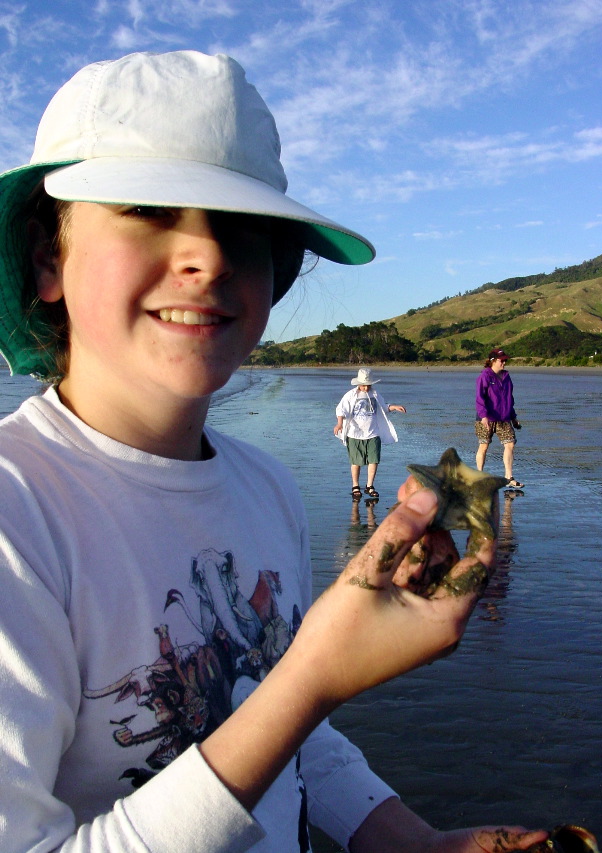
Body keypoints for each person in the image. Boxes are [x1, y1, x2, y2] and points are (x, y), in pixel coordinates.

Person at [0, 51, 548, 852]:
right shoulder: (20, 510)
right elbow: (289, 698)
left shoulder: (266, 488)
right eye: (149, 208)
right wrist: (313, 676)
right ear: (49, 257)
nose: (210, 256)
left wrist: (411, 839)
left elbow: (282, 729)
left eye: (241, 230)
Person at [334, 368, 406, 501]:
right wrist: (339, 424)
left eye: (368, 385)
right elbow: (341, 409)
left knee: (374, 460)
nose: (366, 388)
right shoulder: (351, 395)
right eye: (363, 385)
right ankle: (355, 485)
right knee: (356, 461)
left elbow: (383, 407)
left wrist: (394, 407)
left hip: (373, 433)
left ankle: (369, 486)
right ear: (358, 384)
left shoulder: (375, 394)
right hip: (355, 434)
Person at [475, 349, 524, 489]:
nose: (504, 362)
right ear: (493, 361)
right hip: (486, 418)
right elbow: (480, 398)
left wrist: (513, 417)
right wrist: (483, 416)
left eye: (505, 360)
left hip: (503, 417)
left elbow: (509, 399)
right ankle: (479, 476)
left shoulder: (507, 377)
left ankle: (509, 477)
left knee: (510, 444)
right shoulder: (484, 376)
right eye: (501, 360)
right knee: (484, 446)